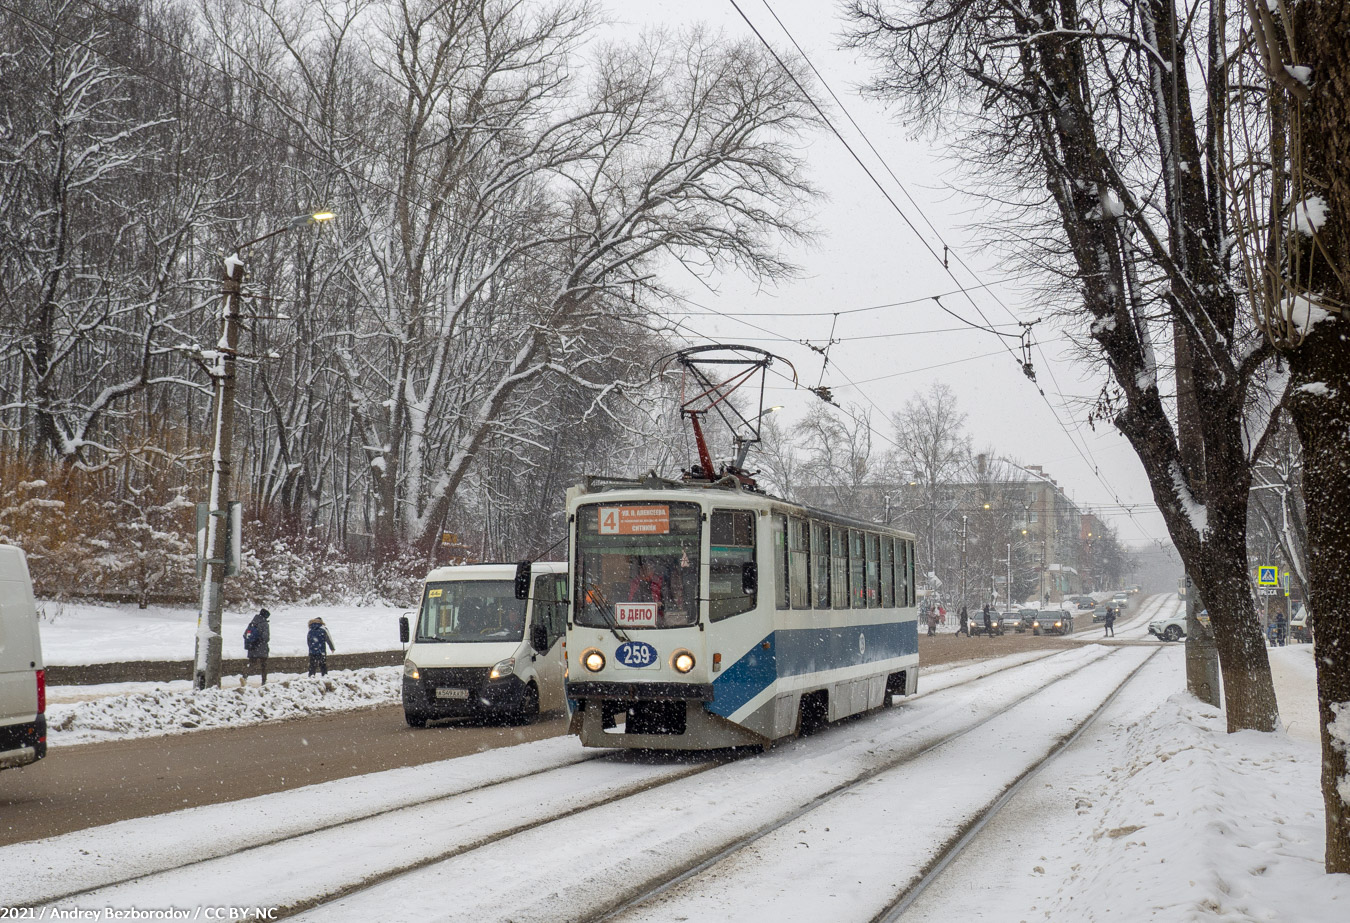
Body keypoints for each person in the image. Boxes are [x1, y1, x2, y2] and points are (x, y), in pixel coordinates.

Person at [243, 608, 270, 685]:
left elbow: (245, 635)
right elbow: (266, 638)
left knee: (252, 664)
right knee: (264, 665)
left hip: (252, 647)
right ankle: (264, 682)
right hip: (262, 648)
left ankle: (244, 676)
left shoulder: (252, 623)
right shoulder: (264, 624)